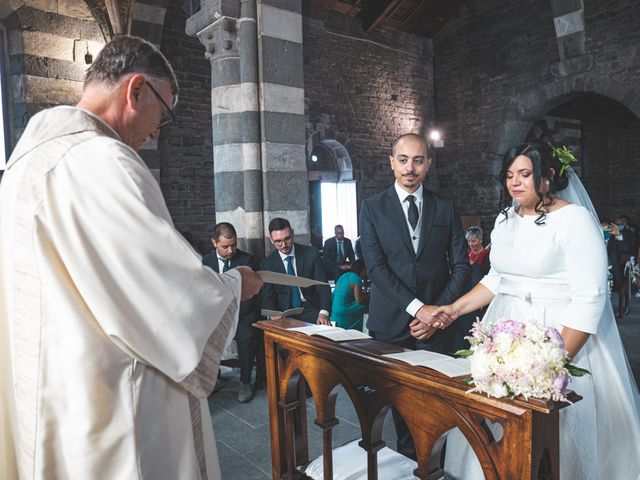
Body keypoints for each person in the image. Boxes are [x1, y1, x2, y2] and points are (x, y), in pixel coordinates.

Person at [0, 36, 263, 480]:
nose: (158, 130)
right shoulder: (103, 161)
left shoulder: (23, 166)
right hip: (111, 410)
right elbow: (169, 300)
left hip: (50, 397)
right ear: (135, 90)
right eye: (164, 113)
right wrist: (238, 282)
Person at [428, 140, 640, 479]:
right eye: (510, 175)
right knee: (499, 431)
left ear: (547, 176)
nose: (515, 182)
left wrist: (552, 366)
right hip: (504, 334)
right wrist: (454, 308)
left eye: (525, 174)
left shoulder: (575, 220)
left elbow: (591, 297)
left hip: (560, 336)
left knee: (558, 440)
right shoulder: (504, 219)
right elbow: (498, 278)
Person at [359, 133, 470, 459]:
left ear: (428, 164)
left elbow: (462, 267)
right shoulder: (371, 208)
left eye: (418, 160)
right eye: (403, 160)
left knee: (440, 404)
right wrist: (419, 310)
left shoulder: (445, 207)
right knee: (401, 409)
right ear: (392, 162)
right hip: (392, 326)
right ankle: (412, 466)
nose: (410, 168)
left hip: (440, 327)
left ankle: (441, 467)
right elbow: (376, 269)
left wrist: (438, 314)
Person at [202, 222, 263, 403]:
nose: (231, 250)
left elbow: (252, 296)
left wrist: (234, 315)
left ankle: (245, 381)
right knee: (203, 335)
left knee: (246, 336)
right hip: (215, 315)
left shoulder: (247, 260)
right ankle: (212, 378)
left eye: (234, 245)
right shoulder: (205, 262)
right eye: (225, 246)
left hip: (242, 313)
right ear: (214, 243)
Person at [261, 217, 332, 325]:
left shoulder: (311, 254)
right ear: (271, 240)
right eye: (278, 241)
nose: (284, 245)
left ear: (293, 233)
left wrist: (323, 313)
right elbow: (267, 297)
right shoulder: (267, 264)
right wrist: (272, 314)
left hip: (310, 308)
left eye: (287, 239)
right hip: (283, 313)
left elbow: (323, 286)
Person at [608, 215, 636, 318]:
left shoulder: (628, 233)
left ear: (624, 223)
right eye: (616, 223)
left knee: (623, 284)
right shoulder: (608, 232)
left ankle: (624, 307)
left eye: (620, 223)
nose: (618, 225)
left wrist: (618, 235)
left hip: (620, 263)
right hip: (607, 262)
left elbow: (626, 248)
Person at [331, 259, 369, 331]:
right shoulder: (356, 278)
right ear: (363, 269)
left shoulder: (344, 276)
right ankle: (363, 331)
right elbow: (359, 300)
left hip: (335, 311)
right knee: (370, 306)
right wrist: (370, 296)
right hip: (345, 310)